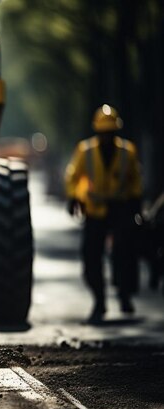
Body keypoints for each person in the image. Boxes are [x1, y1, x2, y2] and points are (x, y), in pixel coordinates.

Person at [65, 104, 143, 324]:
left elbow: (135, 179)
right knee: (91, 257)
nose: (108, 137)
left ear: (116, 132)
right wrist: (74, 197)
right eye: (104, 133)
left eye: (111, 133)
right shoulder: (85, 151)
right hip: (95, 210)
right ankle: (99, 300)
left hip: (120, 208)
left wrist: (136, 201)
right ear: (98, 132)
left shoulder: (128, 151)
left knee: (125, 253)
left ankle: (125, 293)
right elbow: (72, 176)